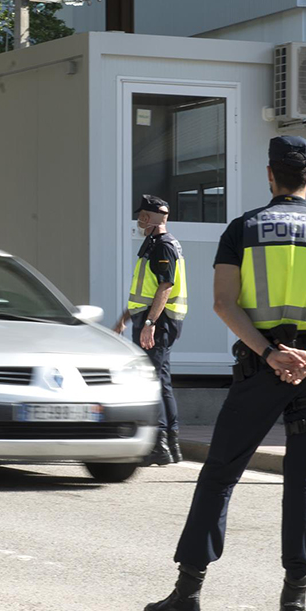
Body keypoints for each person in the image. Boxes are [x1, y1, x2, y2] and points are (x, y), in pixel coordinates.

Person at [142, 135, 306, 611]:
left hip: (258, 368)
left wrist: (271, 354)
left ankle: (188, 597)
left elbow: (224, 302)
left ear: (270, 176)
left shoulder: (244, 228)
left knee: (220, 475)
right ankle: (294, 608)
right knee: (303, 484)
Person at [113, 195, 188, 466]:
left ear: (158, 217)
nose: (140, 220)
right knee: (162, 382)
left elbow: (165, 287)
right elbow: (143, 290)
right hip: (152, 320)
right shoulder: (154, 243)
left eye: (144, 215)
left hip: (158, 323)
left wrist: (149, 324)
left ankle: (159, 446)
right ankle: (171, 446)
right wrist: (125, 318)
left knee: (153, 382)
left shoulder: (164, 246)